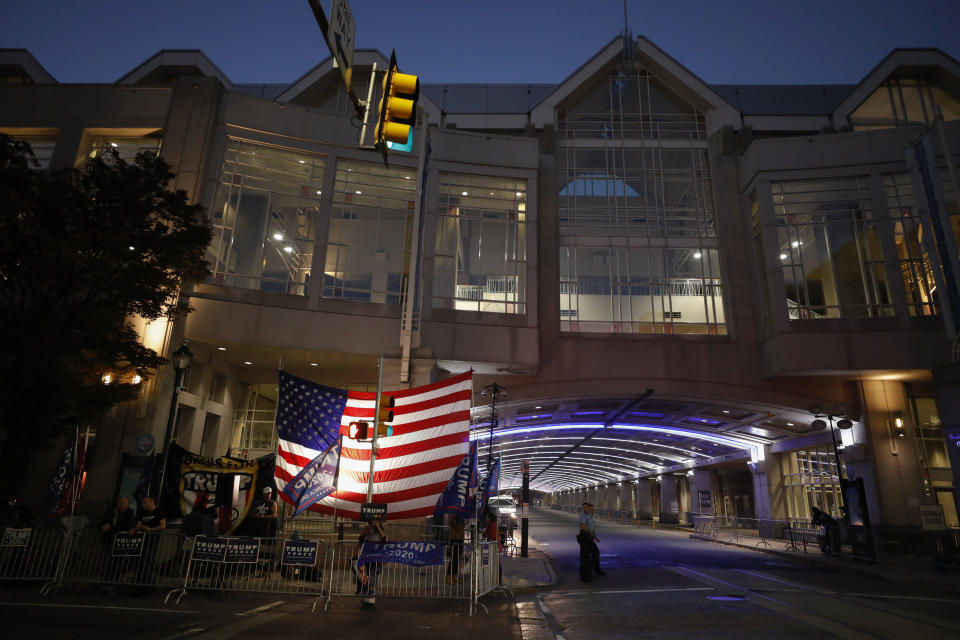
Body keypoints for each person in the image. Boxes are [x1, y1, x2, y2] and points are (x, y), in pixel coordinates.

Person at [130, 495, 166, 590]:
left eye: (145, 502)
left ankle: (147, 585)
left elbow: (163, 525)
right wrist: (140, 528)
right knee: (141, 562)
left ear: (151, 501)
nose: (143, 504)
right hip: (142, 540)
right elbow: (138, 525)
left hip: (152, 540)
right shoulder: (143, 512)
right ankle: (142, 584)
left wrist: (151, 529)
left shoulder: (158, 511)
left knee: (147, 561)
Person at [360, 515, 387, 607]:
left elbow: (384, 538)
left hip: (376, 557)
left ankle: (371, 599)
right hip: (367, 557)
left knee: (374, 578)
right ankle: (365, 598)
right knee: (365, 577)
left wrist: (378, 525)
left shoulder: (380, 529)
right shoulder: (368, 530)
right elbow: (360, 539)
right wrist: (366, 529)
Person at [577, 502, 605, 581]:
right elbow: (583, 526)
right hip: (584, 537)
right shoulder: (583, 515)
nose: (585, 509)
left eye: (587, 507)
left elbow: (592, 529)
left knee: (595, 553)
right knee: (585, 557)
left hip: (589, 537)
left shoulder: (590, 516)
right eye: (584, 507)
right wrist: (590, 533)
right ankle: (585, 575)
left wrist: (595, 538)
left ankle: (594, 570)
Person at [483, 511, 503, 585]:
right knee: (494, 563)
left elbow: (491, 535)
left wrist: (485, 533)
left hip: (495, 547)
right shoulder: (489, 524)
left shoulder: (493, 525)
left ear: (490, 518)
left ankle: (498, 580)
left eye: (487, 517)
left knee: (497, 563)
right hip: (493, 546)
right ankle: (495, 579)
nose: (485, 518)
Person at [445, 514, 465, 585]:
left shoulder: (462, 514)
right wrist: (456, 521)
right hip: (454, 539)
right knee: (454, 559)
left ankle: (455, 575)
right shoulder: (453, 512)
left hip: (460, 539)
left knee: (457, 559)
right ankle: (448, 577)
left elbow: (463, 527)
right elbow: (451, 524)